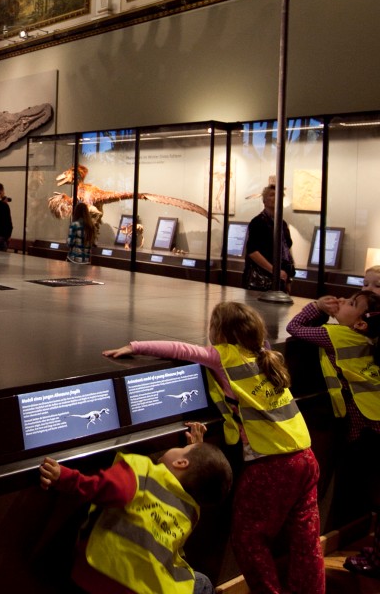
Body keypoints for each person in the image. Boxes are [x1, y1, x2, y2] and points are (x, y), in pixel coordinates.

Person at [104, 301, 324, 594]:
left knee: (249, 539)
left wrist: (134, 346)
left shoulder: (224, 356)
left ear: (218, 331)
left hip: (272, 464)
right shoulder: (266, 353)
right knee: (305, 537)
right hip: (306, 456)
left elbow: (180, 350)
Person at [39, 421, 232, 594]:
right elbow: (193, 479)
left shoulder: (143, 473)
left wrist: (63, 477)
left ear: (181, 462)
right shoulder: (192, 511)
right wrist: (195, 453)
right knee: (203, 584)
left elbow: (103, 487)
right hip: (146, 588)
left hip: (96, 576)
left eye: (181, 451)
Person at [285, 290, 380, 578]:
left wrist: (317, 306)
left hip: (371, 425)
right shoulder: (365, 338)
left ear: (361, 323)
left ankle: (377, 562)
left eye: (351, 304)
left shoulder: (339, 336)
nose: (343, 302)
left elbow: (295, 328)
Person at [243, 184, 295, 292]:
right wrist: (275, 271)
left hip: (280, 279)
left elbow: (286, 252)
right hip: (260, 282)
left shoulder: (282, 224)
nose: (276, 198)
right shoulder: (258, 222)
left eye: (279, 195)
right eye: (272, 195)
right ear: (264, 201)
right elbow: (253, 251)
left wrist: (288, 279)